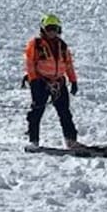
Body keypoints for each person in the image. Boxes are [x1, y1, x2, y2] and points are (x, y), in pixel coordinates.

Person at [24, 14, 78, 146]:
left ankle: (71, 140)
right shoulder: (35, 45)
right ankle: (33, 141)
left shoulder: (63, 46)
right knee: (37, 112)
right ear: (43, 29)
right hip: (40, 82)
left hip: (59, 83)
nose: (52, 32)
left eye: (55, 28)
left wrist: (73, 80)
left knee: (65, 113)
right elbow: (30, 63)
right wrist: (34, 81)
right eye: (49, 28)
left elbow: (68, 65)